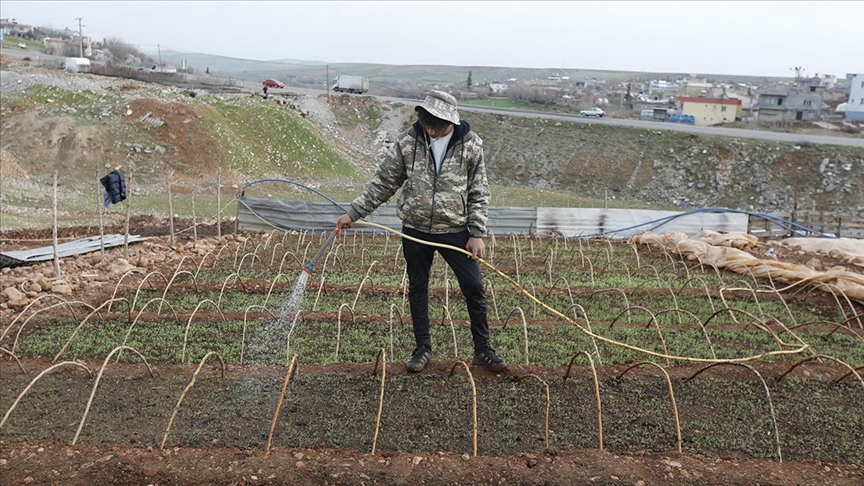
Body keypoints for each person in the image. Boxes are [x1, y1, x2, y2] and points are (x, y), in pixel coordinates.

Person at [336, 91, 507, 373]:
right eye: (426, 123)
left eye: (436, 125)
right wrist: (354, 213)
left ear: (450, 121)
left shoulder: (471, 145)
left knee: (474, 287)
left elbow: (479, 191)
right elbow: (384, 183)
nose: (430, 129)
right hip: (416, 230)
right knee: (418, 287)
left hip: (456, 230)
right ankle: (422, 348)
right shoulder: (408, 142)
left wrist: (476, 232)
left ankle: (483, 349)